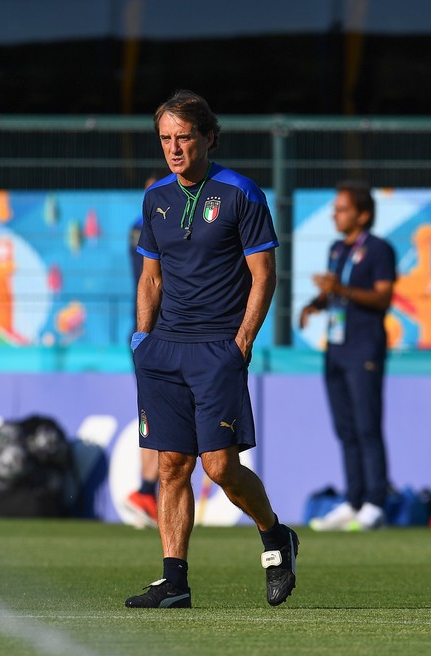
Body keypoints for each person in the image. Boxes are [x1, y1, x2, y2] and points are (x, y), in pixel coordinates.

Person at [126, 90, 298, 609]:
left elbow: (264, 275)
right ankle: (174, 582)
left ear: (208, 137)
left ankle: (275, 534)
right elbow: (151, 278)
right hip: (164, 350)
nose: (174, 149)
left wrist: (242, 342)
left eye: (183, 137)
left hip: (217, 349)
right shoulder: (155, 198)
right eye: (165, 139)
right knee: (171, 465)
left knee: (219, 467)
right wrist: (142, 339)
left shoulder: (241, 193)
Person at [300, 181, 397, 531]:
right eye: (335, 209)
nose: (335, 215)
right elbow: (335, 294)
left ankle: (375, 502)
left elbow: (383, 297)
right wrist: (315, 303)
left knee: (368, 426)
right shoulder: (337, 249)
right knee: (345, 429)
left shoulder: (379, 250)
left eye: (342, 209)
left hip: (364, 348)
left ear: (363, 215)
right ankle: (353, 500)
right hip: (336, 349)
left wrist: (339, 289)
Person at [123, 173, 161, 529]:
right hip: (160, 330)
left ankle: (148, 491)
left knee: (152, 413)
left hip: (146, 328)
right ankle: (148, 490)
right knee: (159, 414)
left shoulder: (138, 225)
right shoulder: (153, 224)